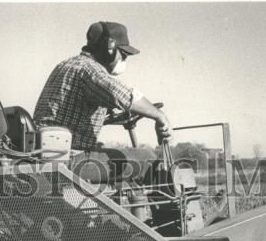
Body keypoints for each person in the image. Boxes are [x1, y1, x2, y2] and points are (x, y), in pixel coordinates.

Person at [33, 21, 172, 152]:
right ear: (109, 49)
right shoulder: (90, 70)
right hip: (70, 154)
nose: (124, 60)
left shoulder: (67, 64)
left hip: (48, 149)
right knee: (145, 156)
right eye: (123, 55)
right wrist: (160, 116)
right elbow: (122, 95)